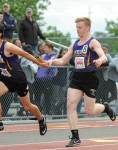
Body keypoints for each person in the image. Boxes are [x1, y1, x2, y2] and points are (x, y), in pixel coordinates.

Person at [48, 17, 116, 147]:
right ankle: (75, 137)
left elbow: (102, 55)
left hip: (90, 78)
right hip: (77, 77)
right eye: (76, 27)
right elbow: (63, 60)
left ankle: (105, 108)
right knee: (70, 105)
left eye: (80, 27)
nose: (77, 30)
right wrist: (50, 62)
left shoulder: (93, 42)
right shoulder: (75, 44)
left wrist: (100, 60)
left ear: (87, 28)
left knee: (90, 111)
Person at [0, 22, 48, 136]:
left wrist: (40, 63)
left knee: (27, 107)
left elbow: (26, 54)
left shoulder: (8, 46)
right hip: (5, 78)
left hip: (18, 79)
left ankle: (41, 118)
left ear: (0, 34)